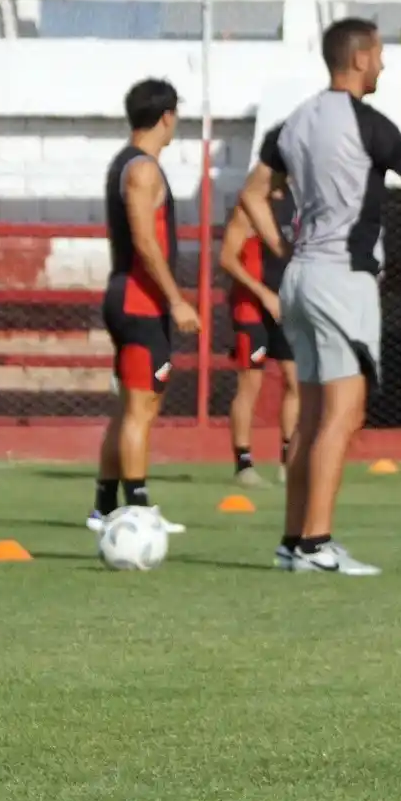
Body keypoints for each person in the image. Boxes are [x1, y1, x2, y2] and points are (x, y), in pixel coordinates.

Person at [239, 16, 401, 576]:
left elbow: (253, 196)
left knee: (311, 414)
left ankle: (293, 541)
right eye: (381, 55)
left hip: (302, 277)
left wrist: (284, 248)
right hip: (342, 281)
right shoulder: (366, 124)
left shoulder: (295, 122)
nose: (384, 64)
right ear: (359, 59)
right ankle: (316, 544)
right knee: (343, 413)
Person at [88, 78, 197, 535]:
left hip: (135, 298)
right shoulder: (142, 170)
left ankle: (105, 506)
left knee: (132, 405)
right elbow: (145, 243)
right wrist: (176, 300)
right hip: (139, 300)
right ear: (167, 116)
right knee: (140, 408)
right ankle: (135, 508)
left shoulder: (130, 164)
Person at [220, 153, 300, 487]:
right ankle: (244, 464)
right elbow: (226, 258)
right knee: (250, 384)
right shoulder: (250, 205)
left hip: (288, 306)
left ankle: (288, 462)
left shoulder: (298, 204)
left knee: (296, 381)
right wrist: (262, 292)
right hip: (251, 308)